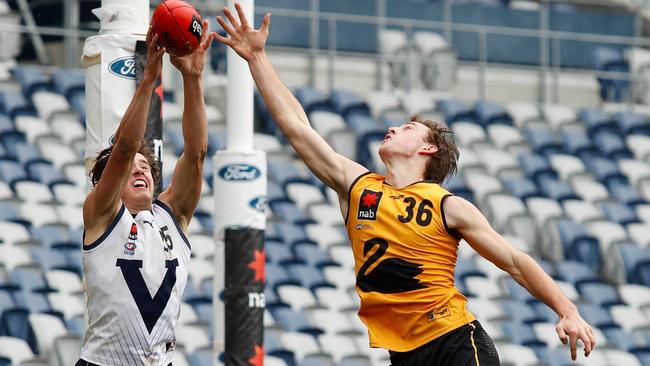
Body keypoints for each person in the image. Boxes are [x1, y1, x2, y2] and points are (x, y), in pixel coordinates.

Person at [215, 4, 597, 365]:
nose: (394, 127)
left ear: (428, 148)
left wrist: (567, 310)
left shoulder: (448, 205)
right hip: (404, 354)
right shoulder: (359, 187)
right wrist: (257, 58)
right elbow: (297, 126)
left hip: (454, 341)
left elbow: (515, 261)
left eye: (408, 127)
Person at [78, 23, 214, 366]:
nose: (139, 169)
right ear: (112, 180)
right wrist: (149, 76)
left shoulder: (173, 214)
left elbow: (196, 153)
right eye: (130, 168)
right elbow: (123, 149)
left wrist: (192, 78)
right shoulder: (102, 214)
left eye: (145, 165)